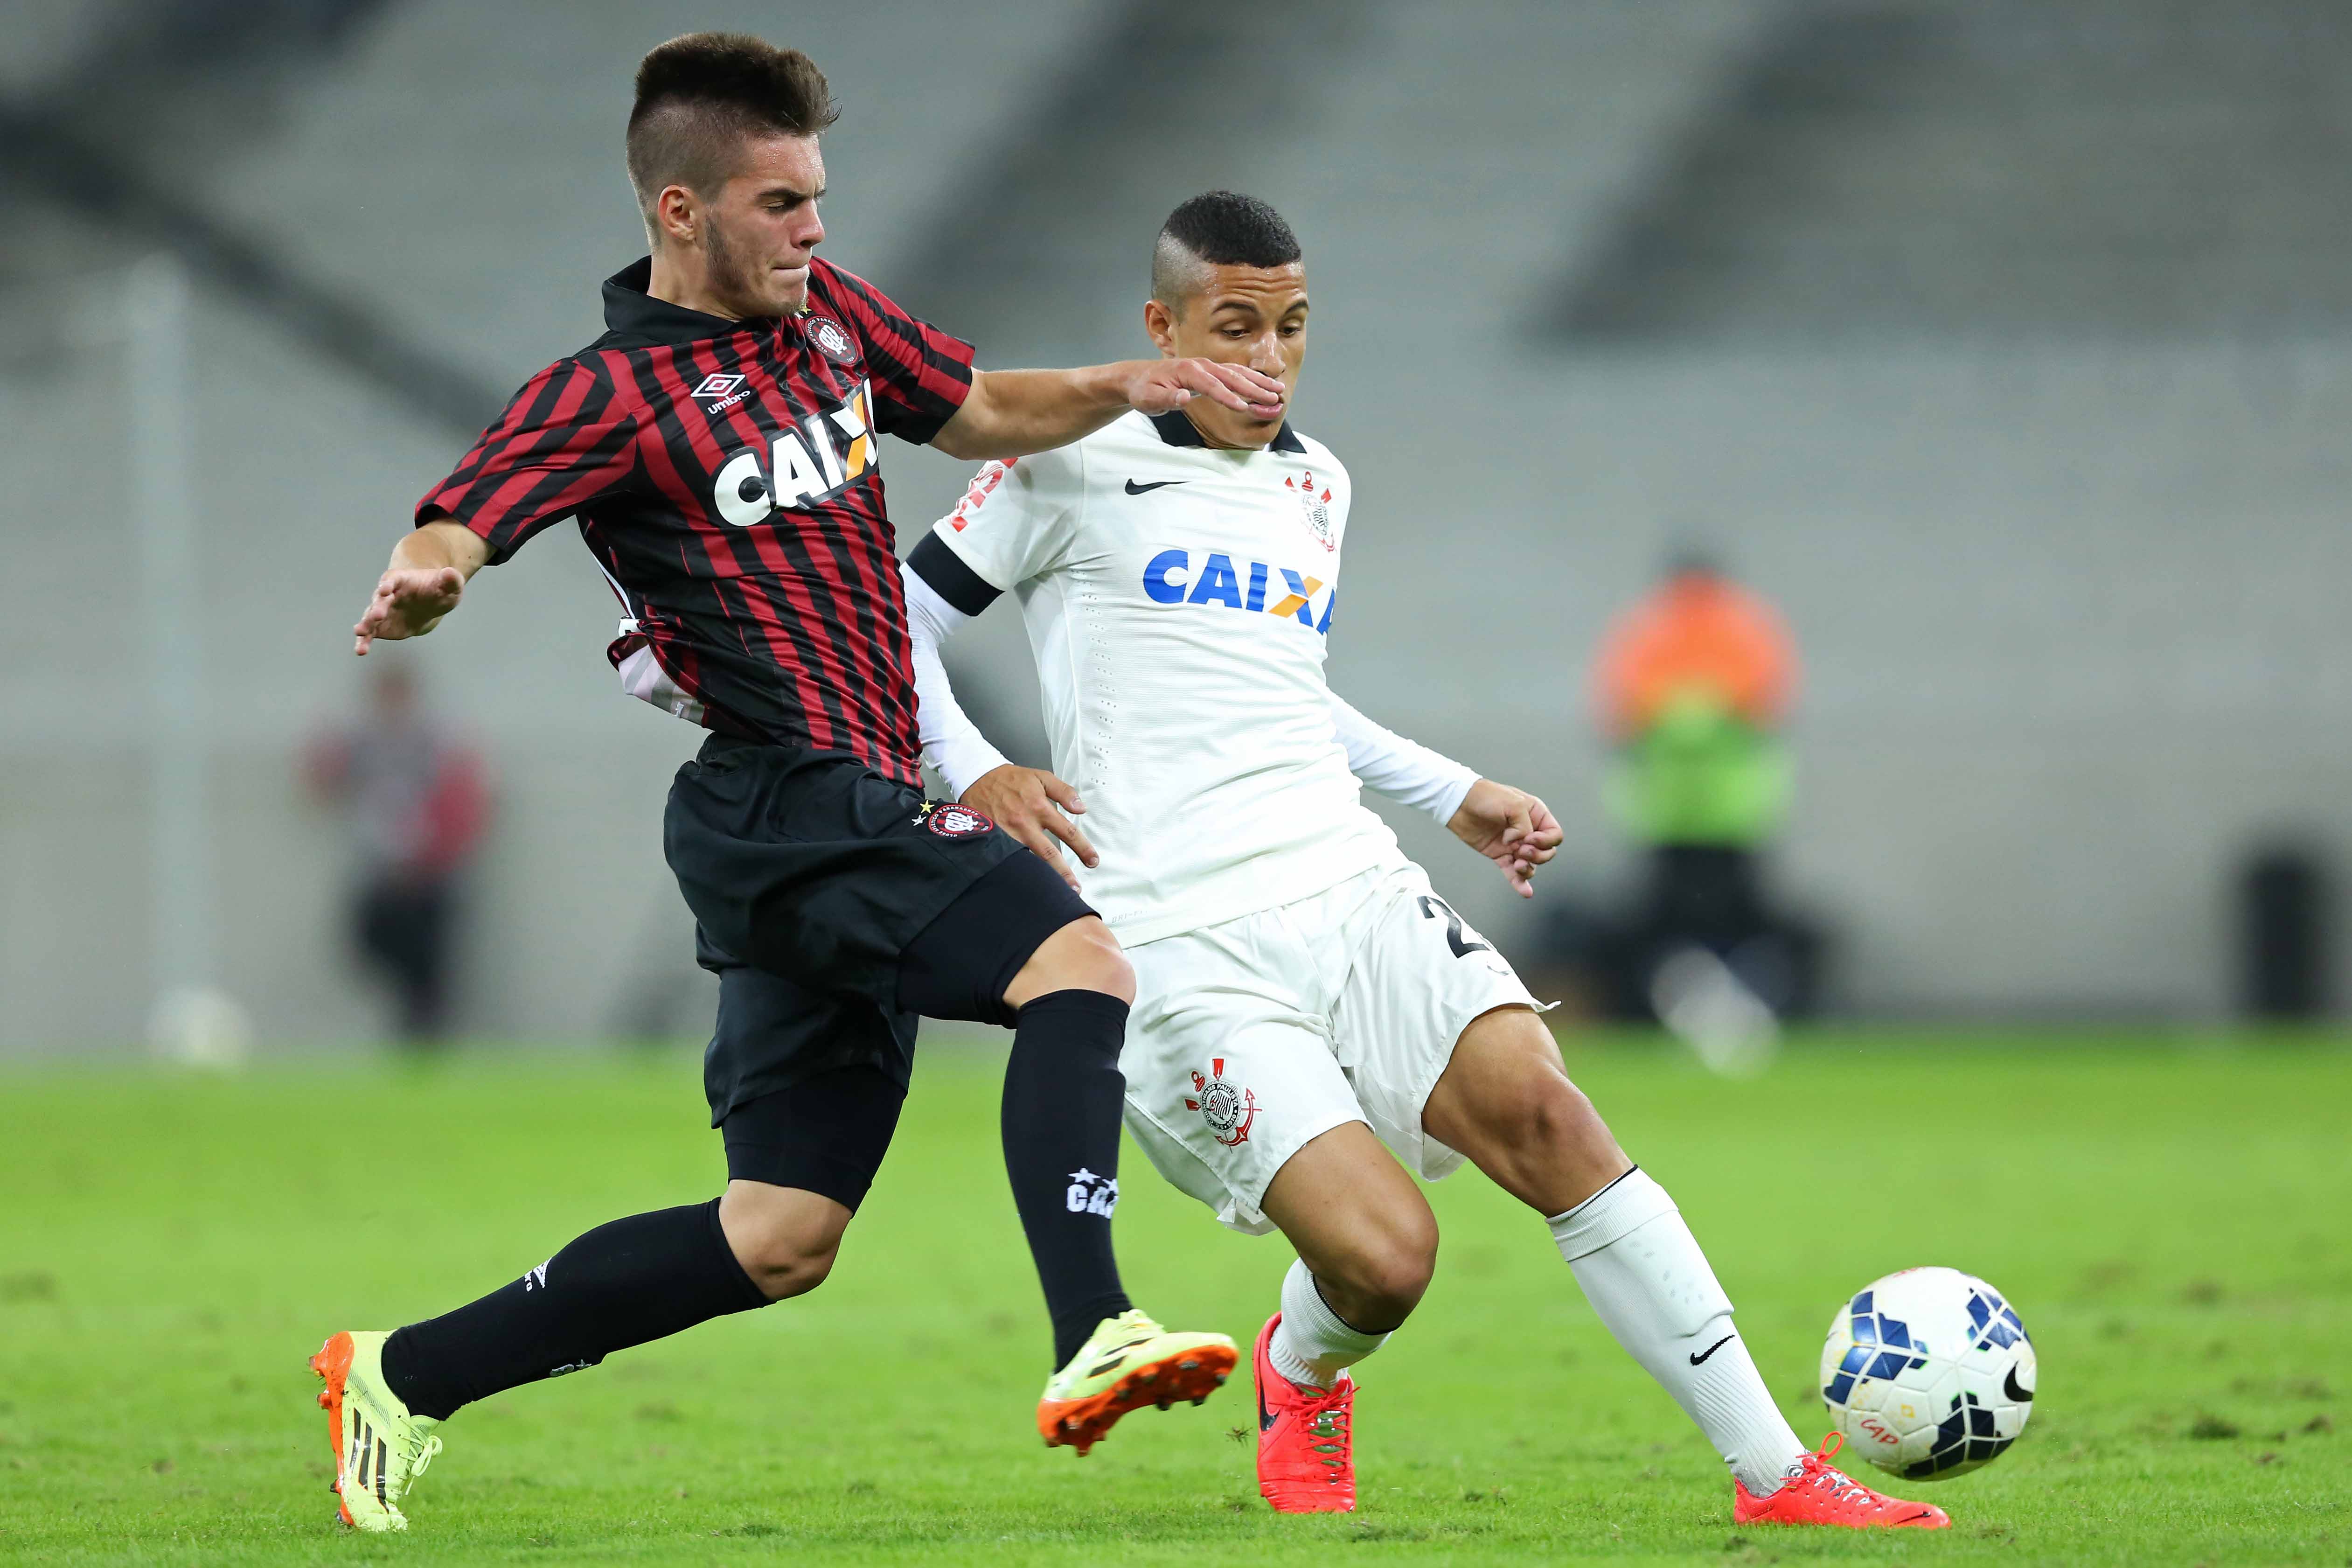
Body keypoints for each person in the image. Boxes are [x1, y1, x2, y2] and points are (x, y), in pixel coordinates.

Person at [308, 35, 1289, 1533]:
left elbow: (971, 407)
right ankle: (1096, 1326)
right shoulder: (608, 394)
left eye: (818, 196)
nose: (814, 229)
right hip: (792, 801)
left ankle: (399, 1374)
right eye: (780, 204)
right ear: (682, 212)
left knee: (778, 1236)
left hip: (834, 815)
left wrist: (1125, 379)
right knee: (1080, 963)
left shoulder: (825, 322)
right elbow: (463, 516)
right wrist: (424, 579)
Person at [901, 192, 1948, 1530]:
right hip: (1175, 944)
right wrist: (973, 767)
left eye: (1291, 329)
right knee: (1388, 1261)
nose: (1268, 361)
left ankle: (1776, 1474)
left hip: (1348, 885)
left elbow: (1280, 689)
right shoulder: (1067, 462)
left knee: (1550, 1116)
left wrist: (1450, 790)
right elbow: (895, 616)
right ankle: (1301, 1365)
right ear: (1161, 328)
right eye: (1234, 329)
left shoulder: (1314, 483)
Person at [1589, 555, 1818, 1056]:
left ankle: (1681, 1016)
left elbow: (1623, 709)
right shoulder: (1742, 627)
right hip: (1716, 811)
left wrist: (1678, 715)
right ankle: (1734, 1015)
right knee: (1721, 922)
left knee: (1680, 923)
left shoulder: (1649, 628)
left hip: (1682, 811)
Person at [303, 662, 490, 1043]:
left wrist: (439, 850)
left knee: (430, 971)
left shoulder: (436, 740)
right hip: (381, 870)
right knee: (370, 944)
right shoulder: (362, 739)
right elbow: (323, 779)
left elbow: (465, 793)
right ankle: (412, 1024)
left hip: (430, 872)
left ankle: (422, 1047)